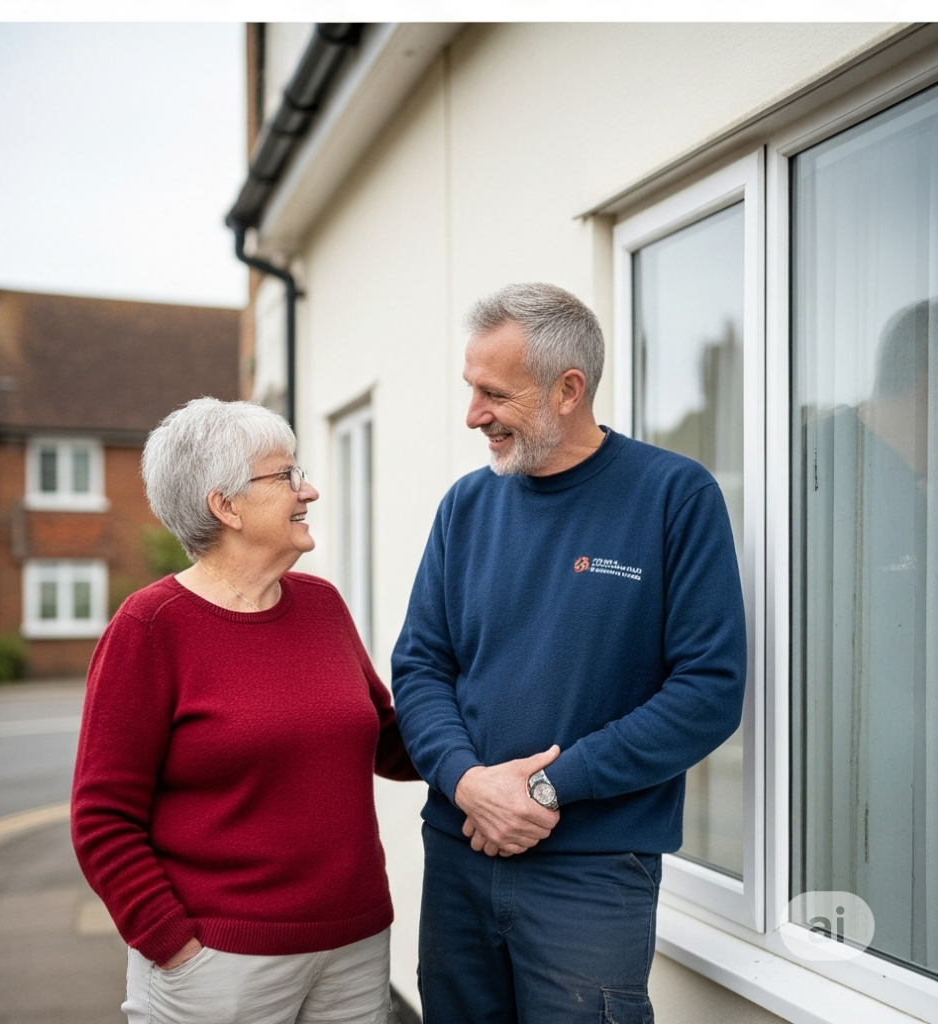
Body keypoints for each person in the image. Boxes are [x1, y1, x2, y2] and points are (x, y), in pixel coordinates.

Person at [391, 283, 747, 1023]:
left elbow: (707, 690)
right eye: (470, 390)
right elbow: (421, 667)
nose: (473, 416)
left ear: (567, 390)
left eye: (493, 393)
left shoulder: (670, 496)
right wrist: (467, 784)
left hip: (592, 872)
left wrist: (547, 788)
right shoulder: (466, 505)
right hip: (458, 849)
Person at [72, 397, 417, 1024]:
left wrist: (497, 735)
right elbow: (102, 819)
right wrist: (174, 946)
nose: (307, 489)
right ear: (225, 505)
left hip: (355, 951)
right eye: (285, 475)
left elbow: (389, 741)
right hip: (219, 966)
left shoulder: (321, 605)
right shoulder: (150, 627)